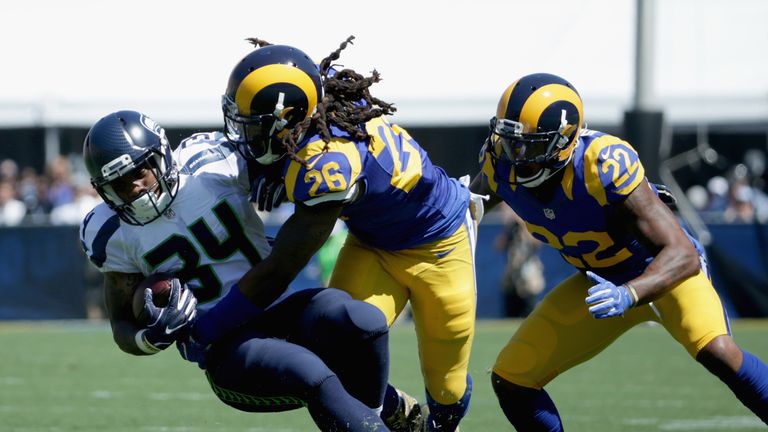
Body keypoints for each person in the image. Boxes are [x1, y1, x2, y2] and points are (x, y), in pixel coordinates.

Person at [182, 37, 482, 432]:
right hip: (373, 242)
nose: (243, 135)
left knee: (446, 388)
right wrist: (278, 170)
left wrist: (209, 327)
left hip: (440, 243)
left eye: (253, 125)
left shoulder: (328, 162)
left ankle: (438, 424)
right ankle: (392, 407)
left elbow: (283, 266)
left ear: (289, 118)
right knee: (337, 343)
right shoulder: (319, 95)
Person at [470, 72, 768, 430]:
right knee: (512, 377)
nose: (512, 154)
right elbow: (471, 206)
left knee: (717, 351)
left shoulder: (602, 164)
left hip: (662, 275)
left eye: (527, 145)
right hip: (599, 282)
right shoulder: (499, 165)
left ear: (562, 142)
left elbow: (683, 253)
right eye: (508, 140)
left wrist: (630, 292)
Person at [78, 110, 391, 431]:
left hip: (283, 308)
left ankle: (383, 414)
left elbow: (280, 155)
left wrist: (279, 173)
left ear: (161, 156)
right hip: (226, 346)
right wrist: (149, 337)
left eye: (140, 171)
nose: (134, 188)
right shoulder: (109, 233)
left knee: (363, 320)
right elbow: (121, 327)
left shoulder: (213, 164)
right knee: (310, 373)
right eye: (117, 183)